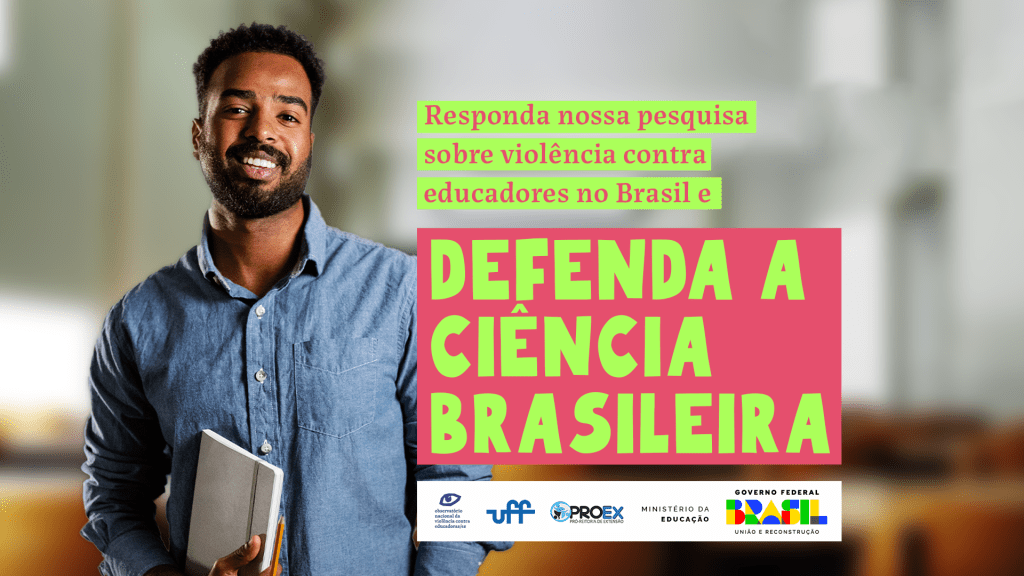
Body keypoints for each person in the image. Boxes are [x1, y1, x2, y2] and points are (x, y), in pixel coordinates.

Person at [81, 23, 509, 576]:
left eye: (288, 115)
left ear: (310, 140)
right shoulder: (138, 322)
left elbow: (459, 490)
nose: (263, 131)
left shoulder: (405, 293)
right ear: (198, 134)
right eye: (237, 109)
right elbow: (115, 500)